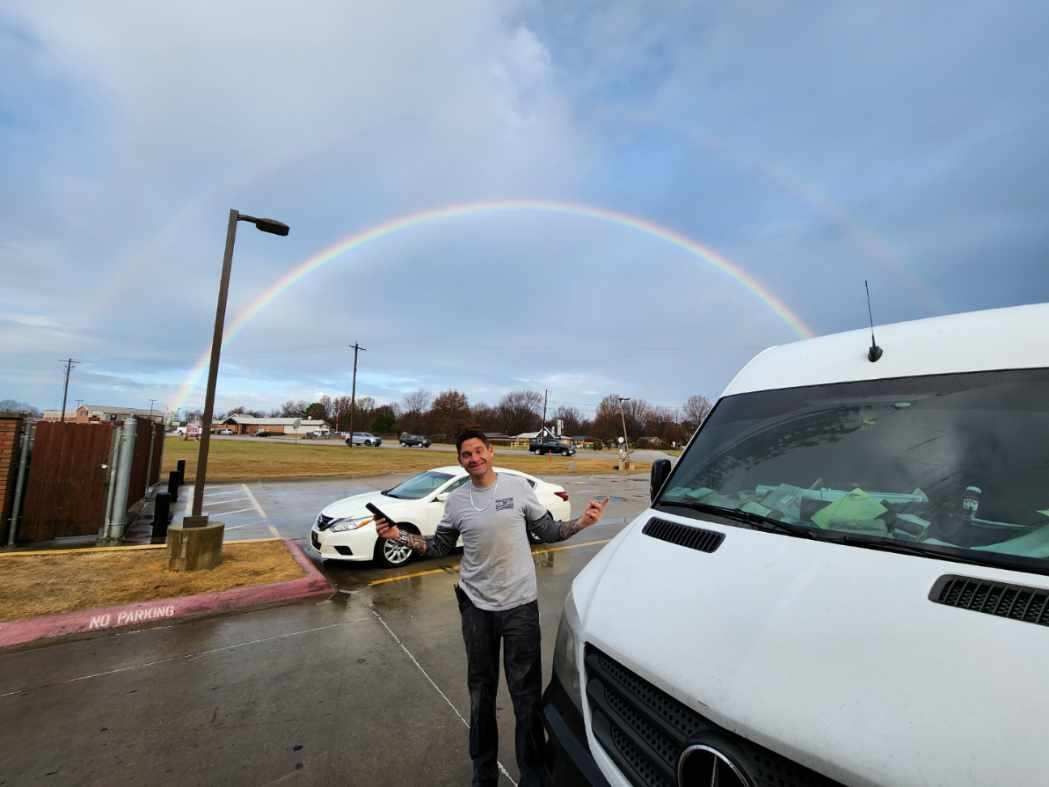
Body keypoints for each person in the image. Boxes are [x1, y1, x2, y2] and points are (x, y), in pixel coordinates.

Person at [375, 429, 608, 787]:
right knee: (481, 695)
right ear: (460, 460)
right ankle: (483, 774)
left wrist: (583, 522)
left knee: (525, 696)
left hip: (519, 608)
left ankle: (534, 774)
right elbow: (438, 546)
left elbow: (548, 531)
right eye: (466, 454)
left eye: (479, 451)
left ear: (491, 452)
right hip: (476, 609)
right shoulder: (456, 501)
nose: (474, 458)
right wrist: (398, 537)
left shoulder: (517, 489)